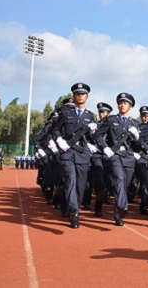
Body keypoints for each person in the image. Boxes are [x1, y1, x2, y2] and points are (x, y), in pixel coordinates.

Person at [52, 83, 97, 228]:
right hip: (67, 153)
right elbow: (55, 130)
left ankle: (74, 209)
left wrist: (92, 134)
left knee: (80, 185)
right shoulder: (66, 114)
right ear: (74, 96)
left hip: (82, 154)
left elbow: (93, 138)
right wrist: (59, 140)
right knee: (70, 179)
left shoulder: (90, 116)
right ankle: (75, 210)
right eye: (77, 93)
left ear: (87, 97)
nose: (80, 96)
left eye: (82, 94)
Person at [95, 93, 140, 226]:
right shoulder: (110, 120)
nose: (122, 105)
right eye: (120, 103)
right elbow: (98, 135)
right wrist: (105, 148)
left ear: (130, 106)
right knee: (119, 179)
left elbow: (139, 144)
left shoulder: (134, 123)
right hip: (114, 156)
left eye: (125, 103)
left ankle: (118, 214)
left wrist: (136, 136)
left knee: (123, 186)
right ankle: (122, 207)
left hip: (129, 158)